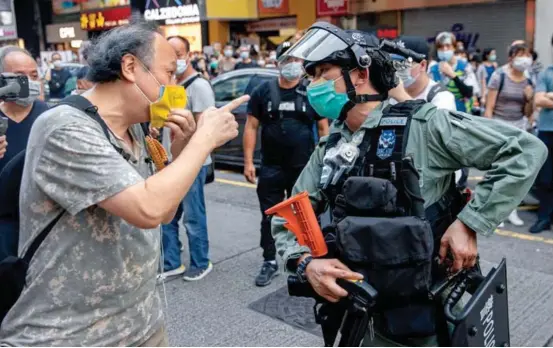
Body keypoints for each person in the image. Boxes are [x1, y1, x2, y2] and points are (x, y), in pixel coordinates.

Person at [271, 23, 547, 347]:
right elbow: (289, 216)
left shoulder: (424, 124)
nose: (313, 84)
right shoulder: (331, 145)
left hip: (429, 314)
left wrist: (470, 223)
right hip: (361, 314)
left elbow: (525, 151)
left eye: (322, 72)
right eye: (311, 75)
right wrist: (306, 263)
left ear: (361, 74)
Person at [0, 23, 246, 346]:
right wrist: (204, 139)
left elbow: (166, 213)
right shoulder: (63, 127)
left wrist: (183, 146)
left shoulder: (138, 130)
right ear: (131, 67)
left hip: (140, 328)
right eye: (169, 73)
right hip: (70, 336)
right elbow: (147, 208)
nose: (174, 86)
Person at [244, 41, 329, 287]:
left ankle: (305, 259)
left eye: (296, 60)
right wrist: (249, 162)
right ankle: (269, 260)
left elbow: (324, 128)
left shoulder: (311, 92)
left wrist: (326, 165)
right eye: (287, 60)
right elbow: (251, 127)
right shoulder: (263, 91)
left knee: (305, 217)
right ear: (277, 63)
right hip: (271, 167)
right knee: (270, 216)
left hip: (304, 170)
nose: (292, 65)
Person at [159, 35, 216, 282]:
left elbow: (205, 129)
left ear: (188, 55)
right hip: (169, 161)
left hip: (192, 163)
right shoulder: (168, 86)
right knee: (166, 216)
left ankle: (201, 262)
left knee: (193, 217)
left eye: (178, 54)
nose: (174, 60)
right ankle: (172, 262)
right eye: (168, 56)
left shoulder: (199, 87)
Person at [0, 46, 49, 261]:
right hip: (5, 229)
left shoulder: (52, 116)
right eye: (20, 76)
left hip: (44, 226)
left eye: (33, 75)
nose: (29, 82)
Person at [484, 43, 534, 228]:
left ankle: (510, 210)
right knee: (498, 170)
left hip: (519, 127)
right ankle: (494, 212)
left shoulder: (528, 80)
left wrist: (529, 98)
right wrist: (489, 132)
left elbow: (528, 112)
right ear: (511, 57)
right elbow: (489, 107)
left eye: (527, 55)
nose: (525, 59)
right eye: (521, 54)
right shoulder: (499, 76)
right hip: (500, 126)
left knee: (515, 171)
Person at [390, 36, 456, 110]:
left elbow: (434, 120)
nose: (396, 69)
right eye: (393, 63)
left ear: (422, 65)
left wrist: (401, 97)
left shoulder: (442, 97)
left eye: (403, 63)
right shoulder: (391, 95)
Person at [531, 35, 553, 234]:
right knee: (545, 179)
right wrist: (545, 97)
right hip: (547, 132)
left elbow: (545, 99)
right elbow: (538, 101)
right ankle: (544, 218)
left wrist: (550, 95)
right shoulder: (547, 73)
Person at [430, 32, 479, 113]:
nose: (444, 50)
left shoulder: (465, 67)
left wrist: (453, 76)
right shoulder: (433, 69)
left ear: (454, 47)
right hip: (440, 114)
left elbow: (469, 93)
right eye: (441, 47)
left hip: (462, 113)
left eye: (448, 46)